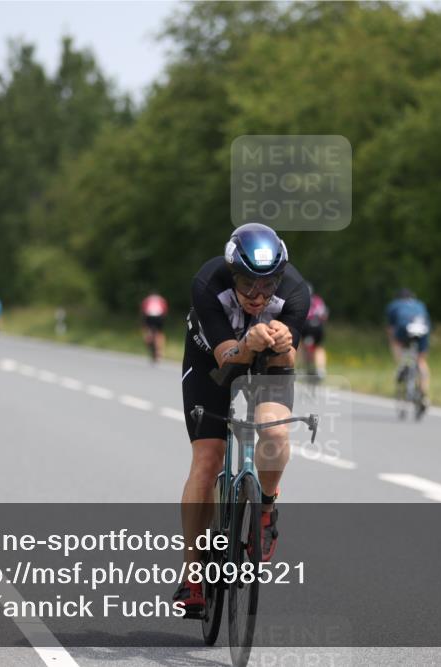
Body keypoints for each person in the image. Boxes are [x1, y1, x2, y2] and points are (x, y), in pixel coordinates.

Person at [174, 223, 309, 617]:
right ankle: (192, 576)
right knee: (207, 460)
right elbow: (225, 360)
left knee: (275, 434)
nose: (258, 295)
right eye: (248, 284)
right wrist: (248, 343)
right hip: (212, 361)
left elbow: (290, 359)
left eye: (268, 285)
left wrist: (284, 344)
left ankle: (265, 508)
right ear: (232, 274)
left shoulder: (296, 292)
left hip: (267, 364)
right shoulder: (207, 283)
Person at [385, 288, 431, 416]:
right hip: (422, 328)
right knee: (421, 360)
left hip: (404, 327)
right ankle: (424, 395)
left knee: (395, 343)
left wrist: (393, 341)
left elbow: (391, 328)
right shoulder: (420, 304)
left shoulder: (394, 305)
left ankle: (402, 365)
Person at [300, 282, 329, 380]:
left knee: (303, 346)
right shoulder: (318, 300)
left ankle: (306, 368)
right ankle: (321, 370)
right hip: (318, 325)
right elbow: (324, 315)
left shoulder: (300, 300)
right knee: (319, 347)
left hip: (306, 324)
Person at [140, 291, 169, 363]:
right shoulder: (161, 299)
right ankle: (159, 352)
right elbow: (165, 311)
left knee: (148, 331)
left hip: (149, 316)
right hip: (159, 316)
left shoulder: (147, 299)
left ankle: (149, 341)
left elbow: (143, 311)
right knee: (159, 333)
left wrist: (143, 323)